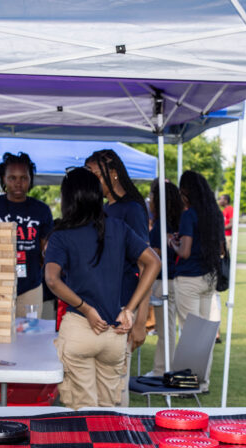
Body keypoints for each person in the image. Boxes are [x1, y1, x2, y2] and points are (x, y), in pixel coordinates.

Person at [44, 168, 160, 410]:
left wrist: (85, 308)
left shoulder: (61, 235)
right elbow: (154, 263)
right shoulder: (118, 228)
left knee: (82, 413)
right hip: (114, 332)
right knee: (109, 414)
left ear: (68, 198)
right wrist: (129, 309)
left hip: (81, 328)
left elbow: (52, 280)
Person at [85, 149, 152, 404]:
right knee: (98, 390)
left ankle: (118, 440)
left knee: (115, 392)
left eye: (93, 174)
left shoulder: (131, 210)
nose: (90, 180)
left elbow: (146, 266)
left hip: (122, 310)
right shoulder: (103, 209)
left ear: (112, 173)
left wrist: (140, 318)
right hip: (100, 310)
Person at [0, 152, 54, 318]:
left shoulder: (41, 210)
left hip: (31, 286)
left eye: (23, 178)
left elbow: (46, 249)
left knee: (29, 336)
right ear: (3, 179)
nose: (18, 183)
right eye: (12, 178)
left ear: (30, 179)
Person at [171, 170, 225, 392]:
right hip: (209, 277)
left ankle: (189, 383)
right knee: (204, 334)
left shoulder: (189, 215)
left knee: (190, 333)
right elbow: (221, 248)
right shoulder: (216, 214)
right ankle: (203, 382)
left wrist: (172, 243)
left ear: (186, 191)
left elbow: (183, 252)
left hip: (189, 279)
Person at [147, 179, 182, 376]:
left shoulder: (161, 224)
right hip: (176, 279)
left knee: (165, 330)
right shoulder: (178, 220)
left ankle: (162, 370)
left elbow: (156, 256)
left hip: (164, 281)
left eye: (152, 197)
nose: (149, 201)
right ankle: (164, 368)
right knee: (168, 328)